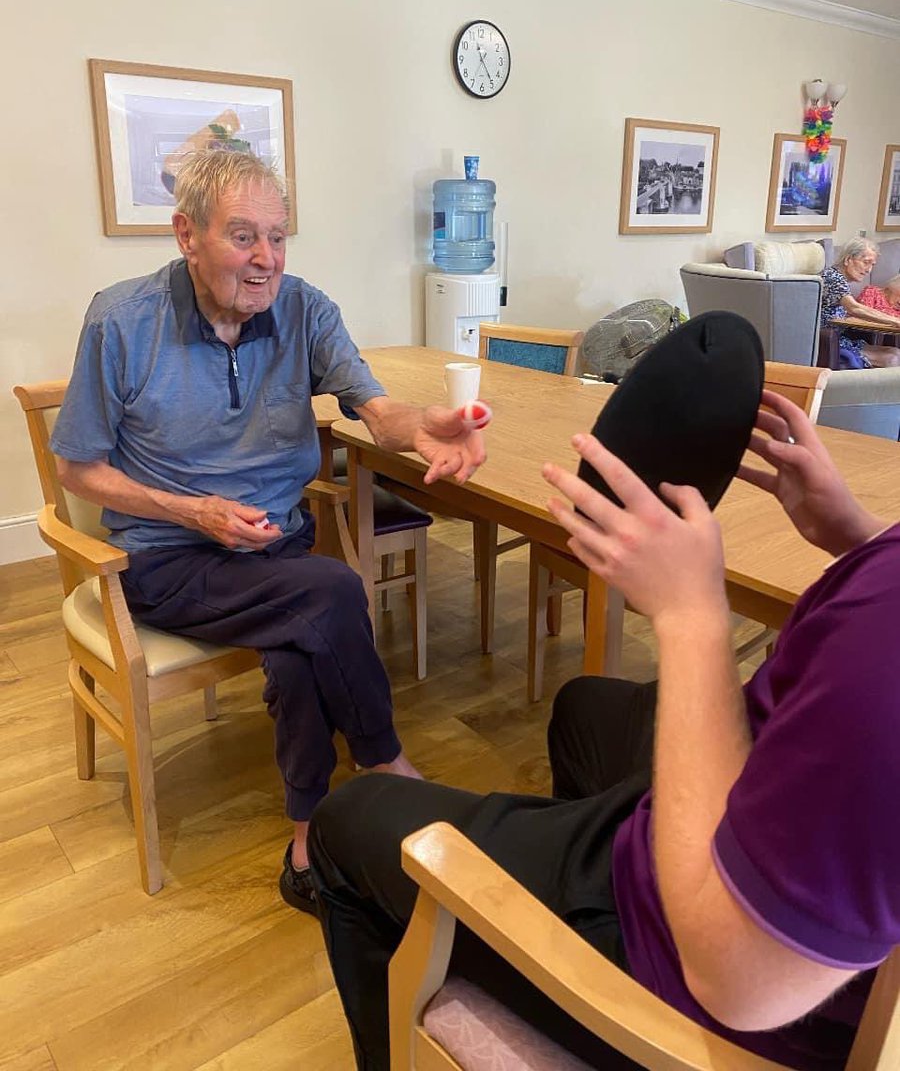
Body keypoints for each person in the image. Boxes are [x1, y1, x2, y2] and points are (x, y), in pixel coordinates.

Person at [309, 390, 900, 1070]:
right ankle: (562, 871)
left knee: (347, 819)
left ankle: (567, 937)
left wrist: (691, 616)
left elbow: (741, 984)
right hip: (758, 804)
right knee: (585, 711)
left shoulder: (884, 661)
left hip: (700, 971)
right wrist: (859, 533)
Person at [50, 149, 487, 914]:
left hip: (275, 551)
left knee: (298, 648)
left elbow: (373, 406)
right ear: (187, 235)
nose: (266, 259)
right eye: (243, 236)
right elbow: (76, 471)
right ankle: (387, 768)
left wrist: (423, 427)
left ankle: (307, 837)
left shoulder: (306, 309)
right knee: (332, 591)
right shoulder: (121, 320)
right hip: (169, 559)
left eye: (278, 237)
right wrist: (196, 511)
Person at [821, 237, 900, 368]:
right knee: (892, 358)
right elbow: (854, 308)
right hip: (829, 343)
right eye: (866, 262)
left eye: (872, 265)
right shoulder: (833, 278)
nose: (869, 270)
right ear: (848, 260)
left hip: (841, 339)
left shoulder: (839, 279)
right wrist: (894, 321)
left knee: (896, 353)